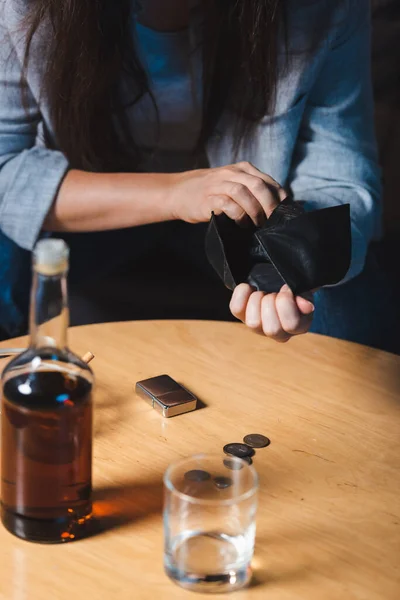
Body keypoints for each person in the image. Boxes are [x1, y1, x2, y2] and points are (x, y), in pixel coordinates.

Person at [0, 0, 393, 350]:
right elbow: (5, 167)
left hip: (248, 224)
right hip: (94, 211)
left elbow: (340, 181)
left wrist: (296, 271)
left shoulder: (323, 8)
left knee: (346, 292)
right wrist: (174, 193)